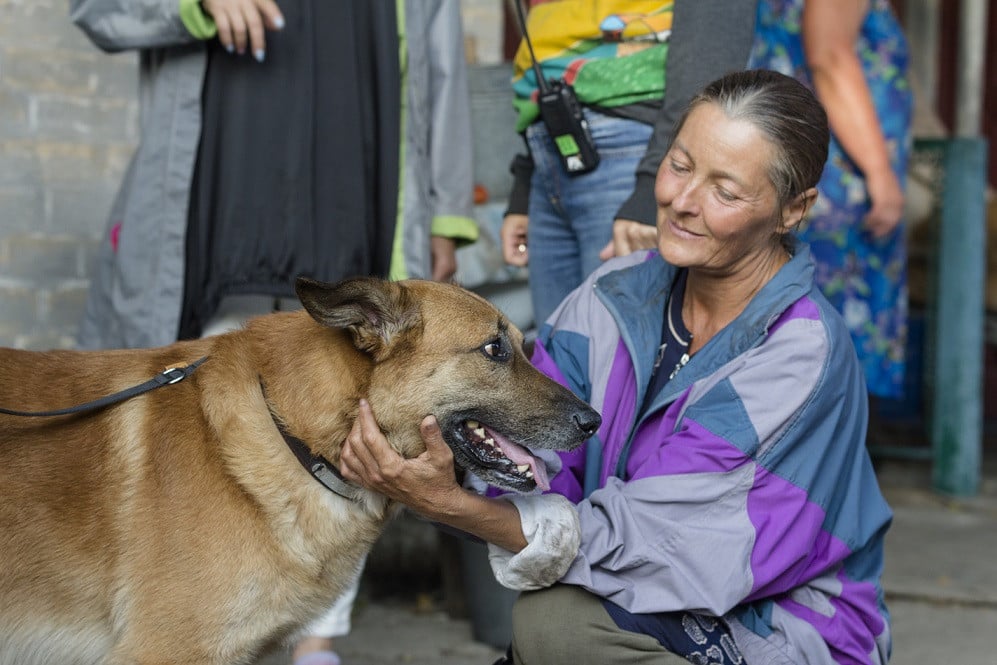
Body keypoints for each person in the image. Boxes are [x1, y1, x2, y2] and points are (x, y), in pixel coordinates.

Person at [338, 70, 893, 665]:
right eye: (679, 165)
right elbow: (536, 455)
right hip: (643, 601)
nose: (682, 202)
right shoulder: (611, 296)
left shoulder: (797, 351)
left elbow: (671, 547)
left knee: (558, 627)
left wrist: (452, 505)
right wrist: (450, 462)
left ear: (793, 210)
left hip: (781, 627)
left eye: (725, 192)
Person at [70, 2, 478, 664]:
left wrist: (446, 211)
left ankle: (317, 640)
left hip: (359, 199)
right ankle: (173, 617)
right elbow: (97, 12)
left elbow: (440, 66)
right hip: (216, 200)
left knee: (357, 419)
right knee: (187, 432)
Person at [72, 0, 478, 349]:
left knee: (345, 420)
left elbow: (441, 65)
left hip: (358, 236)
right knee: (189, 418)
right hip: (213, 231)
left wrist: (445, 214)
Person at [498, 0, 758, 328]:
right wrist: (526, 178)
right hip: (549, 149)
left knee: (622, 357)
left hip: (639, 149)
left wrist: (658, 182)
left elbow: (714, 32)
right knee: (556, 358)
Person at [747, 0, 913, 399]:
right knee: (819, 351)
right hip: (836, 179)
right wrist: (879, 172)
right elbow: (830, 58)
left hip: (802, 164)